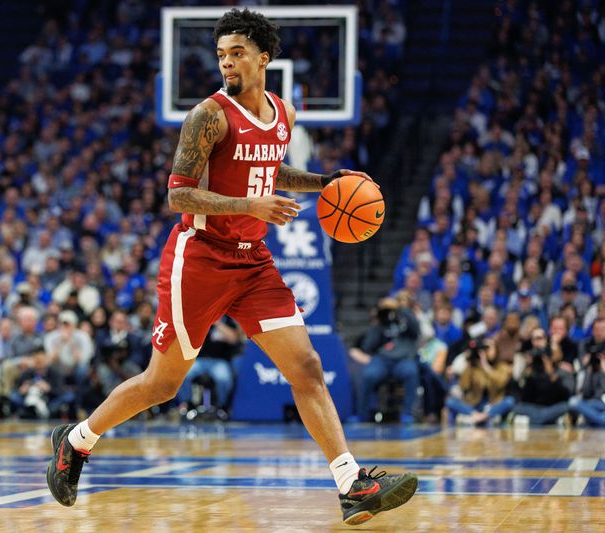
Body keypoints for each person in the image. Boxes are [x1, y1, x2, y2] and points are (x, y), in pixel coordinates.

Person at [45, 9, 417, 526]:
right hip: (198, 259)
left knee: (306, 367)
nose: (227, 63)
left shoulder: (283, 114)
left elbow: (270, 170)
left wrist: (325, 182)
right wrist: (249, 204)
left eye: (237, 52)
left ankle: (351, 483)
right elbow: (178, 194)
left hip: (253, 265)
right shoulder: (208, 115)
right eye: (222, 55)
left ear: (264, 57)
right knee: (162, 385)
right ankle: (77, 440)